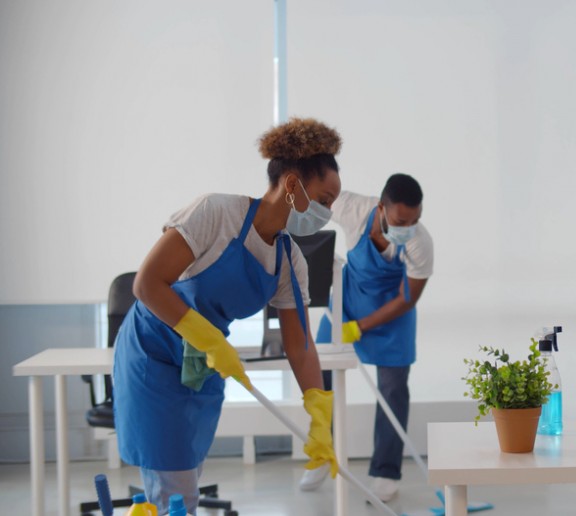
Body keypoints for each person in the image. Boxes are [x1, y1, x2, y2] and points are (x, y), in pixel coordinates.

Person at [112, 117, 343, 513]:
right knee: (175, 493)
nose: (327, 212)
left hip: (203, 367)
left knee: (186, 481)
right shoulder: (216, 213)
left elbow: (300, 346)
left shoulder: (290, 262)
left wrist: (319, 410)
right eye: (323, 200)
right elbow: (147, 284)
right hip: (154, 357)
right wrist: (209, 338)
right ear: (292, 185)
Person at [311, 173, 433, 501]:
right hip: (347, 303)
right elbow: (312, 198)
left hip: (393, 316)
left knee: (393, 389)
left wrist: (361, 328)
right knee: (316, 375)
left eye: (416, 219)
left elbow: (407, 298)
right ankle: (322, 454)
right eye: (401, 220)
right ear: (381, 207)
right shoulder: (353, 208)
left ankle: (386, 471)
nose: (409, 226)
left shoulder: (420, 243)